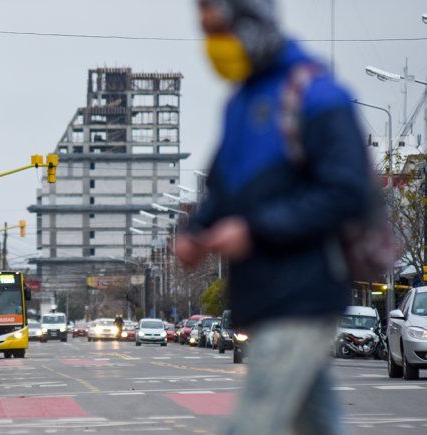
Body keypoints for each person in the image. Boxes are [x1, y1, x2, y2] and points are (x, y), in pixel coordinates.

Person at [178, 2, 375, 434]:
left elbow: (345, 193)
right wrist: (194, 232)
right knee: (315, 423)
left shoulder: (316, 96)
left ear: (250, 24)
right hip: (259, 296)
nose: (213, 47)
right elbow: (222, 192)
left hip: (304, 294)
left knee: (253, 423)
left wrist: (257, 230)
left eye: (219, 31)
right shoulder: (241, 104)